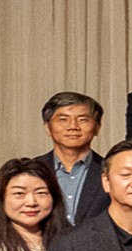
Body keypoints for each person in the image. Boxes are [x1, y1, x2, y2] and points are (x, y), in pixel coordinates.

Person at [38, 92, 107, 228]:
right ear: (47, 128)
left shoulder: (111, 170)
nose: (73, 127)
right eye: (63, 119)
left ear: (97, 127)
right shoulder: (32, 169)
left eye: (83, 120)